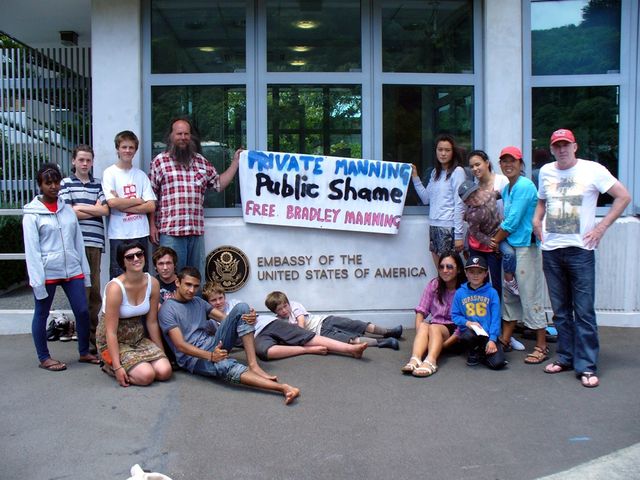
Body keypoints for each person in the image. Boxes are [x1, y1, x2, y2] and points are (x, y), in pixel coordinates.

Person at [533, 129, 630, 388]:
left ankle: (586, 365)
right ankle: (565, 357)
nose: (562, 149)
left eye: (566, 145)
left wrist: (601, 227)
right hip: (552, 250)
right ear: (552, 149)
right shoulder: (546, 171)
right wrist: (536, 220)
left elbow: (623, 196)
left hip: (580, 251)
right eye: (557, 146)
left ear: (575, 146)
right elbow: (542, 201)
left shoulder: (593, 170)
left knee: (584, 311)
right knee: (560, 311)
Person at [158, 268, 300, 405]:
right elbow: (180, 346)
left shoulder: (198, 302)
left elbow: (226, 318)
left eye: (195, 286)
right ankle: (282, 388)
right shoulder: (167, 309)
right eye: (188, 285)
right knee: (224, 365)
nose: (191, 290)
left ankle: (253, 365)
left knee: (242, 308)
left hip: (213, 344)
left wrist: (246, 318)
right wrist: (211, 356)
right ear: (177, 282)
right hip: (193, 359)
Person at [22, 163, 100, 371]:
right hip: (47, 271)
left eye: (56, 182)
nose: (53, 187)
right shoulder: (32, 214)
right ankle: (44, 358)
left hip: (72, 269)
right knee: (41, 313)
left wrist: (84, 271)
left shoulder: (67, 210)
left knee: (82, 310)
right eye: (48, 183)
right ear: (40, 185)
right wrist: (37, 281)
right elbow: (32, 250)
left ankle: (84, 352)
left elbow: (78, 242)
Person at [149, 117, 242, 277]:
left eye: (186, 134)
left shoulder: (201, 162)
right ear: (171, 136)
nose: (183, 137)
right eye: (179, 134)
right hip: (170, 232)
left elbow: (218, 184)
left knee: (195, 279)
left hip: (195, 232)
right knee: (171, 278)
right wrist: (152, 226)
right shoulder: (160, 162)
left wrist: (235, 163)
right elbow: (151, 197)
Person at [491, 146, 548, 362]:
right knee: (510, 294)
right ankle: (505, 339)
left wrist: (495, 240)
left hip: (526, 246)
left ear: (521, 164)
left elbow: (512, 221)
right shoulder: (507, 189)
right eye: (504, 161)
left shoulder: (524, 185)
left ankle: (541, 346)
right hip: (511, 247)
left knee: (530, 294)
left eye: (512, 161)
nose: (508, 165)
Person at [96, 241, 172, 387]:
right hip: (115, 340)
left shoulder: (153, 283)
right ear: (122, 262)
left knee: (165, 371)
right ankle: (108, 364)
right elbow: (110, 332)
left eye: (139, 254)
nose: (136, 259)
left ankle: (137, 365)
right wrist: (117, 367)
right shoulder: (115, 287)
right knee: (146, 376)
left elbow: (152, 322)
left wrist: (161, 352)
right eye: (130, 257)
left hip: (138, 337)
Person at [59, 145, 109, 353]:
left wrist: (79, 207)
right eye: (81, 160)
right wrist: (93, 209)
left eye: (88, 160)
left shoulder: (98, 184)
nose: (85, 164)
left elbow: (105, 210)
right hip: (75, 244)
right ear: (74, 161)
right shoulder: (65, 183)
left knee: (95, 291)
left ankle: (93, 339)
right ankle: (83, 341)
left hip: (94, 243)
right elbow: (67, 212)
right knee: (82, 292)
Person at [265, 291, 402, 350]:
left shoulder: (295, 306)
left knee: (356, 325)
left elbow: (301, 322)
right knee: (350, 340)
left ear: (288, 303)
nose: (284, 310)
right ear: (275, 312)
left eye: (285, 306)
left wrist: (296, 336)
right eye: (280, 309)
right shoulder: (279, 322)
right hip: (321, 334)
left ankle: (388, 332)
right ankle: (383, 342)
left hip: (325, 321)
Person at [401, 252, 465, 377]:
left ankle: (431, 361)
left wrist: (444, 345)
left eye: (449, 267)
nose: (445, 270)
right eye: (441, 267)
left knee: (434, 327)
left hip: (455, 334)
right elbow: (421, 311)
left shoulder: (464, 290)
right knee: (424, 325)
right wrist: (421, 335)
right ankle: (415, 359)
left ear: (458, 270)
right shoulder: (434, 284)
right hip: (434, 329)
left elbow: (463, 325)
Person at [102, 130, 156, 279]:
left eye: (131, 147)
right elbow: (112, 202)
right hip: (118, 233)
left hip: (140, 233)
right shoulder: (109, 173)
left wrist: (122, 203)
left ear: (135, 150)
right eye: (124, 147)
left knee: (141, 276)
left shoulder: (141, 175)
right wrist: (138, 200)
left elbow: (151, 206)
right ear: (117, 149)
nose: (127, 150)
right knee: (118, 276)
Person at [411, 133, 467, 267]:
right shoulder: (435, 173)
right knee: (440, 270)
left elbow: (460, 204)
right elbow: (426, 199)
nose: (443, 153)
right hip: (434, 225)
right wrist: (415, 177)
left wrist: (459, 235)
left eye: (447, 150)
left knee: (449, 270)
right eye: (440, 149)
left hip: (449, 228)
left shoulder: (458, 172)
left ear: (453, 152)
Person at [458, 180, 517, 300]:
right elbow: (474, 232)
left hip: (496, 237)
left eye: (475, 193)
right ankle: (480, 304)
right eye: (469, 199)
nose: (474, 199)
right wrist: (488, 241)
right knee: (480, 277)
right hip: (480, 244)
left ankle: (496, 305)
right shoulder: (472, 215)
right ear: (466, 202)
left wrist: (514, 190)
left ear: (480, 190)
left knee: (496, 278)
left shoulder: (489, 194)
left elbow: (502, 193)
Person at [452, 255, 506, 370]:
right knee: (466, 336)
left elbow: (496, 318)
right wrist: (467, 323)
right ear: (466, 273)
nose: (475, 275)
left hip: (488, 334)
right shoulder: (460, 293)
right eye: (471, 272)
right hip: (471, 332)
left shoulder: (492, 293)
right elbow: (455, 315)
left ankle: (482, 353)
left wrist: (492, 339)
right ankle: (473, 351)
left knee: (498, 363)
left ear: (486, 274)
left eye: (480, 272)